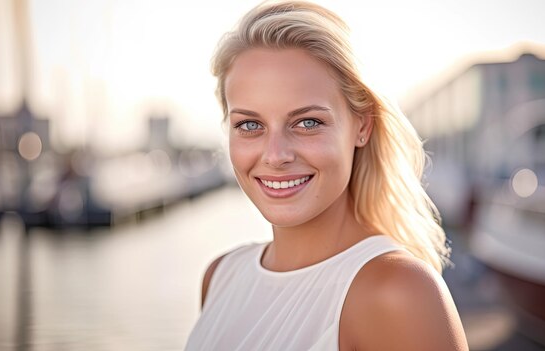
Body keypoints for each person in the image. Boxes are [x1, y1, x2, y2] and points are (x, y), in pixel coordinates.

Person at [184, 1, 469, 350]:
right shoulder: (220, 276)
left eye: (307, 122)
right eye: (250, 125)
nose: (275, 156)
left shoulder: (397, 291)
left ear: (361, 126)